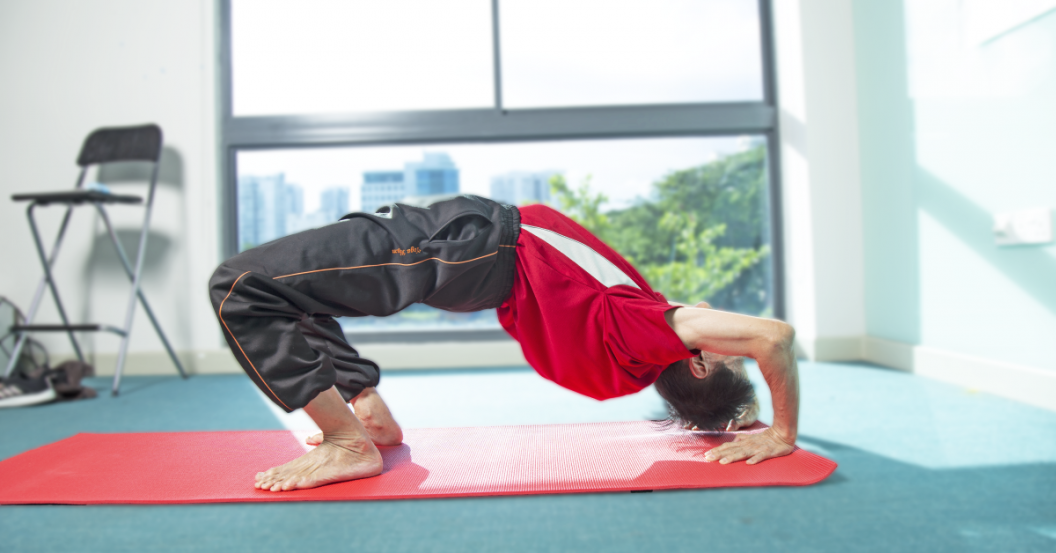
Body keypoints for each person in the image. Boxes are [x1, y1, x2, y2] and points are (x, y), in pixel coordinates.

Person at [209, 195, 799, 492]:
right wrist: (729, 412)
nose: (710, 316)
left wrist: (780, 433)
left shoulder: (647, 328)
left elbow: (775, 337)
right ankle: (367, 415)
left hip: (477, 244)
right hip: (478, 254)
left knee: (242, 288)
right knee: (294, 292)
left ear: (696, 362)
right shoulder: (630, 354)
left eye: (724, 348)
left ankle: (347, 443)